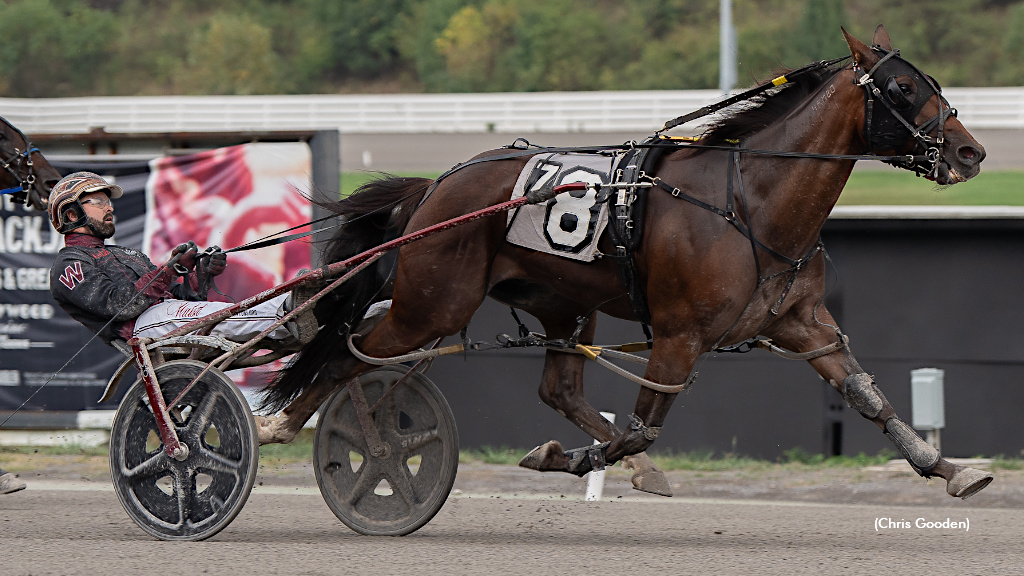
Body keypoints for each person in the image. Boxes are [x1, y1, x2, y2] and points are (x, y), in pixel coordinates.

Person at [47, 172, 317, 348]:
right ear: (71, 214)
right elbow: (119, 306)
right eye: (98, 202)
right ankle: (287, 312)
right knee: (218, 315)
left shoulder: (126, 254)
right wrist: (168, 269)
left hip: (165, 315)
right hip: (141, 328)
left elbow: (182, 295)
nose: (110, 208)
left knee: (222, 310)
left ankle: (292, 312)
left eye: (109, 202)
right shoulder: (69, 264)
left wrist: (200, 273)